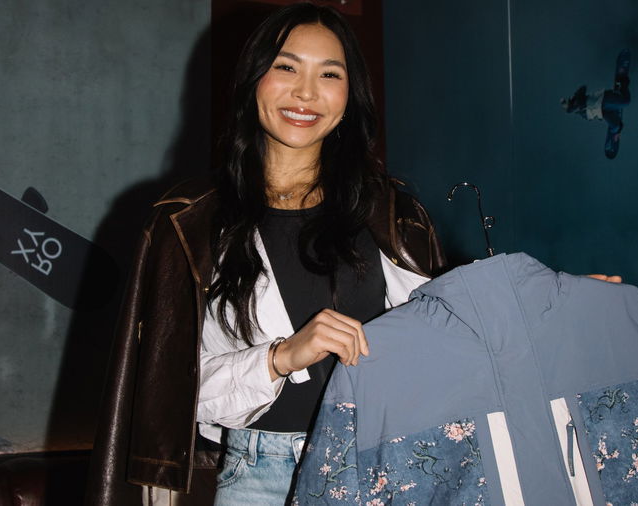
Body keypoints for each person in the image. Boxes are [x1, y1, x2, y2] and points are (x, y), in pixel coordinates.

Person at [87, 4, 444, 505]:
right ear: (253, 79)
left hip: (383, 462)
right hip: (259, 475)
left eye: (329, 74)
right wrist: (280, 357)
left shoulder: (391, 215)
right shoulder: (190, 222)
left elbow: (443, 356)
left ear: (350, 95)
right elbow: (169, 394)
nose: (306, 92)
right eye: (286, 67)